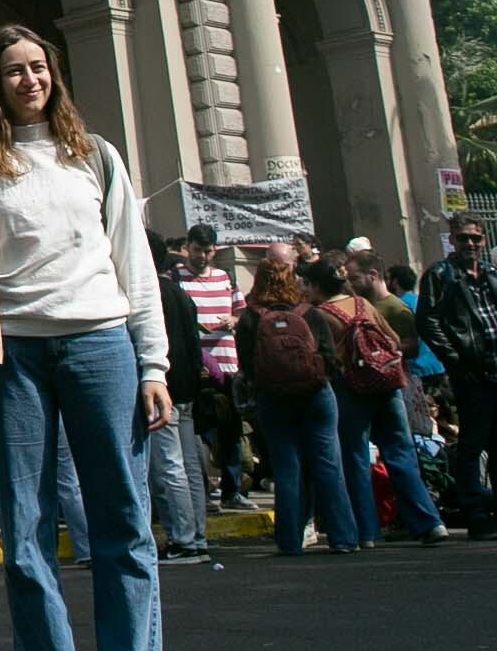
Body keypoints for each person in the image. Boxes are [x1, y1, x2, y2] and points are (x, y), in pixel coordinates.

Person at [0, 24, 169, 651]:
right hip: (11, 353)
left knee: (121, 521)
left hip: (100, 343)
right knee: (25, 528)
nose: (29, 81)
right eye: (13, 71)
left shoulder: (97, 157)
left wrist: (153, 365)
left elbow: (132, 262)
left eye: (38, 67)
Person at [415, 219, 497, 540]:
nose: (470, 244)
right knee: (472, 444)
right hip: (472, 371)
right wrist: (455, 358)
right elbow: (428, 321)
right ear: (452, 239)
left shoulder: (493, 275)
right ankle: (475, 512)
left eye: (475, 238)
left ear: (483, 240)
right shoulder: (441, 274)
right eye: (464, 238)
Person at [236, 254, 356, 556]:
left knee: (287, 468)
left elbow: (247, 364)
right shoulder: (309, 312)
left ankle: (289, 541)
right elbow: (329, 355)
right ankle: (343, 536)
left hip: (273, 398)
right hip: (316, 395)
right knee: (328, 464)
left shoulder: (251, 317)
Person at [322, 253, 445, 546]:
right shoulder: (366, 306)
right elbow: (392, 342)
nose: (351, 284)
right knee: (401, 452)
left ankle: (367, 531)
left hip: (354, 388)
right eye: (347, 279)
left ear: (373, 274)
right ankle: (428, 521)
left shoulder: (328, 312)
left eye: (355, 277)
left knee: (356, 456)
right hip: (388, 385)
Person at [173, 227, 247, 509]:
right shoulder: (177, 278)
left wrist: (233, 319)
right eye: (197, 250)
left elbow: (241, 311)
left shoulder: (225, 278)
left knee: (230, 430)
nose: (202, 256)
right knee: (197, 432)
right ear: (187, 248)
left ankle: (233, 489)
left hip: (227, 364)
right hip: (196, 365)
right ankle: (201, 491)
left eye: (207, 251)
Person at [148, 242, 212, 562]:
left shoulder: (151, 294)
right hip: (186, 388)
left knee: (169, 466)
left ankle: (183, 538)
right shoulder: (181, 293)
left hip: (165, 388)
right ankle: (197, 535)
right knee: (188, 466)